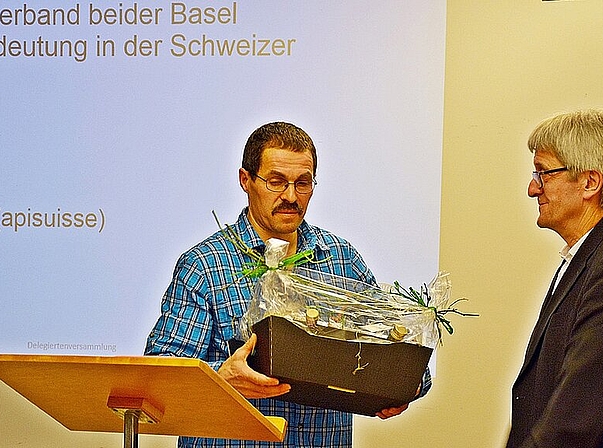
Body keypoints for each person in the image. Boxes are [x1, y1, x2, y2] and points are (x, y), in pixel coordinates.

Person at [145, 121, 432, 448]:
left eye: (303, 183)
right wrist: (222, 378)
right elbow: (161, 380)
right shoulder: (206, 266)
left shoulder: (341, 260)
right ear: (246, 180)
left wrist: (399, 385)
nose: (291, 196)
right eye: (276, 182)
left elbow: (403, 361)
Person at [507, 109, 603, 447]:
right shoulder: (592, 254)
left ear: (590, 183)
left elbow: (577, 412)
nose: (533, 189)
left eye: (543, 173)